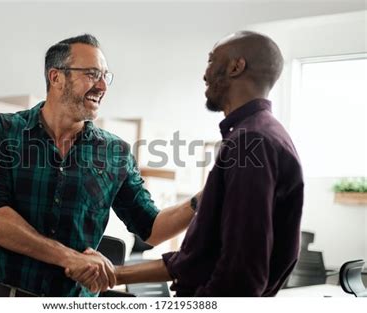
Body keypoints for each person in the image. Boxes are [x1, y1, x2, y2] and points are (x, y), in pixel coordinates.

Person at [0, 34, 199, 297]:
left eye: (105, 76)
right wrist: (69, 258)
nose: (102, 86)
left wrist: (202, 199)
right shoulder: (4, 131)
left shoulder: (115, 152)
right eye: (91, 74)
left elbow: (152, 229)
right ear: (56, 77)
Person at [88, 30, 304, 297]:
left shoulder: (250, 141)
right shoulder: (265, 135)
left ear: (236, 66)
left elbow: (242, 274)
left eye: (212, 61)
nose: (205, 74)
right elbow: (199, 259)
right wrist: (115, 274)